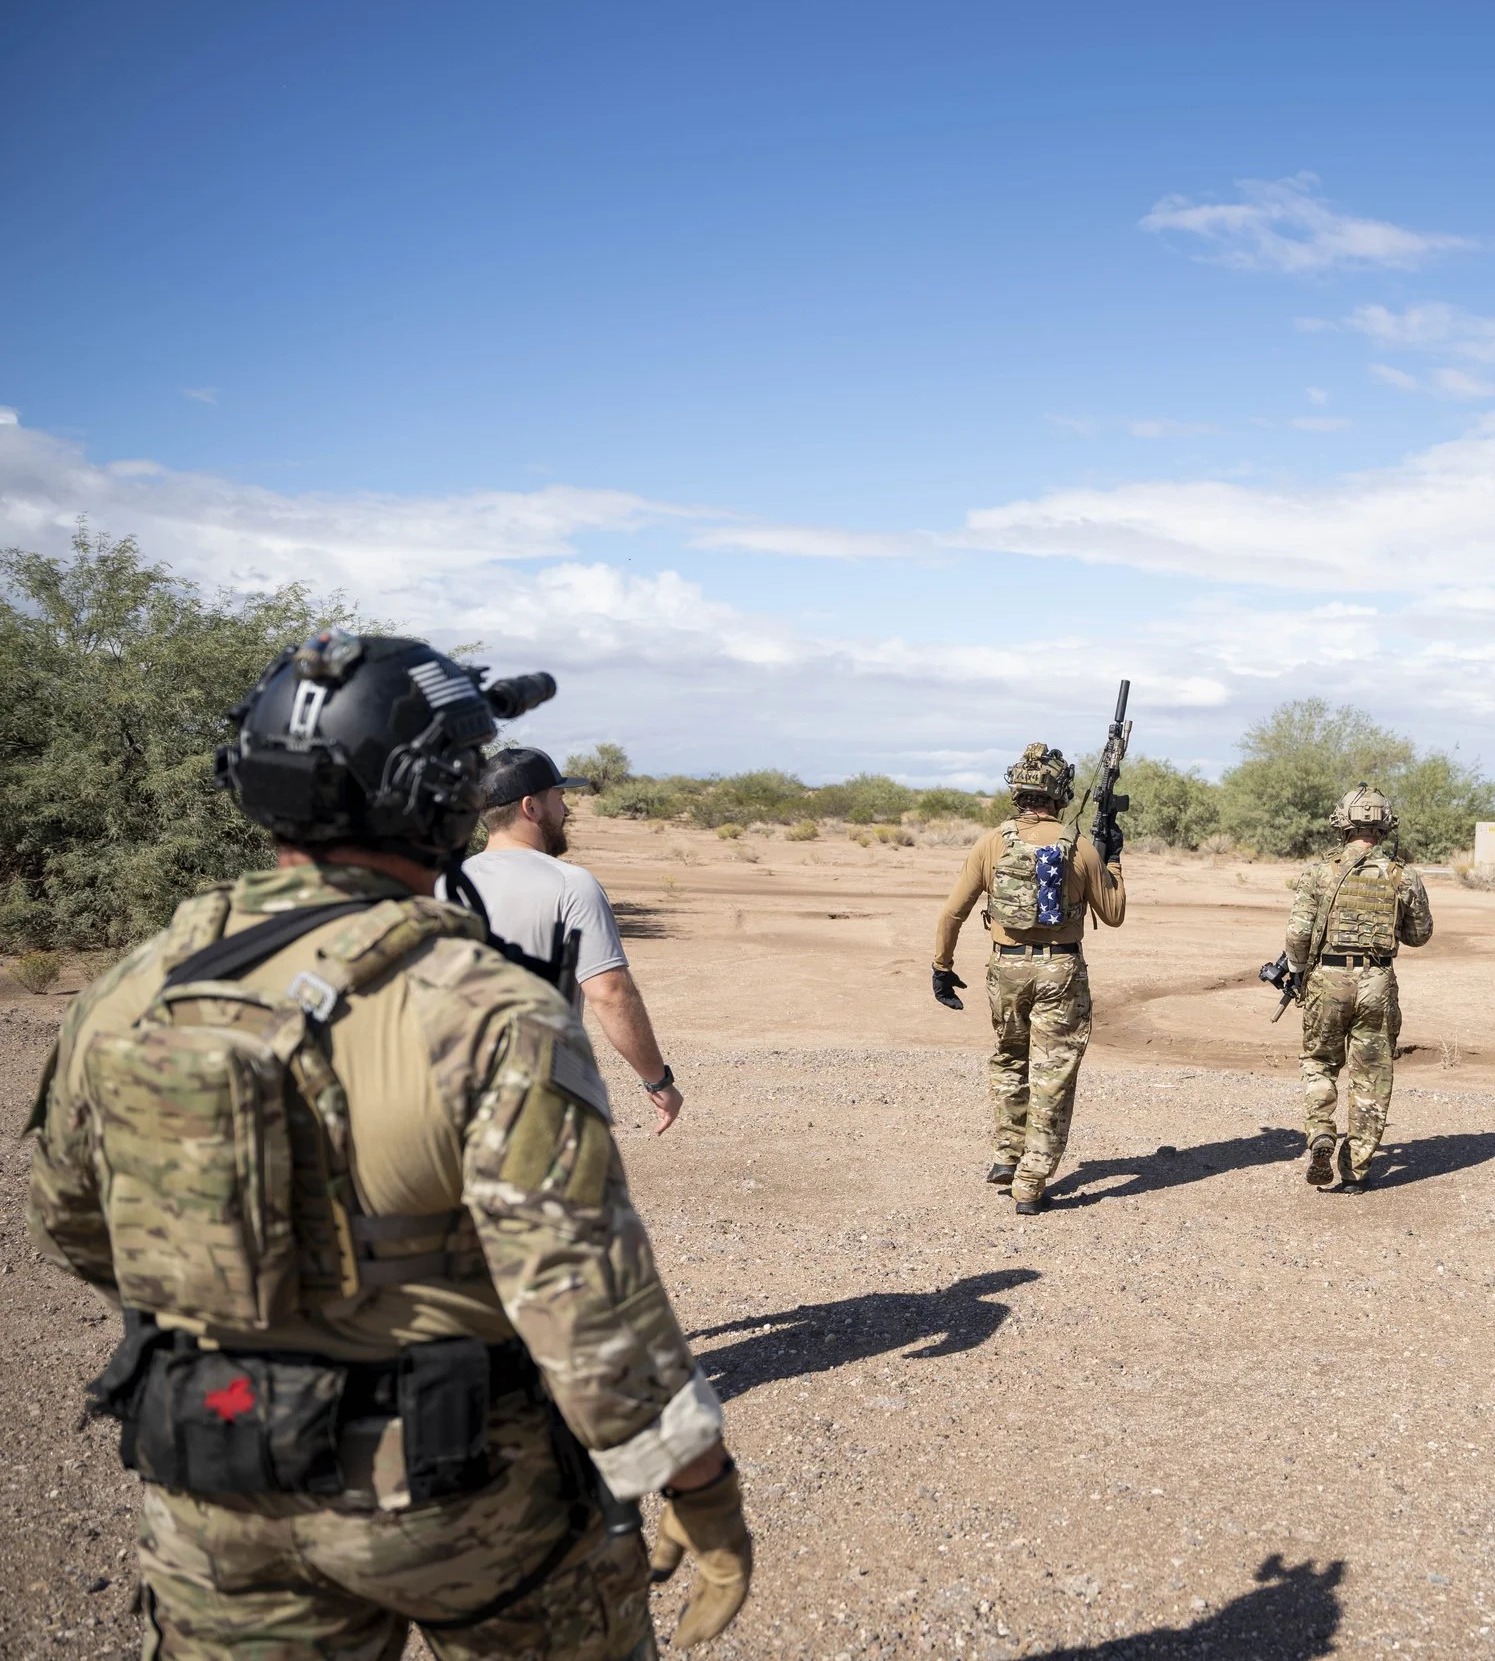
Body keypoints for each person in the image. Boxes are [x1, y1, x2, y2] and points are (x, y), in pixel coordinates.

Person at [23, 631, 751, 1659]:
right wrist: (701, 1490)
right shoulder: (488, 1005)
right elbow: (587, 1306)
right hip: (462, 1494)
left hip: (213, 1477)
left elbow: (73, 1224)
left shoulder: (134, 985)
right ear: (441, 792)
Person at [932, 741, 1127, 1215]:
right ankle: (1031, 1179)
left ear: (1016, 790)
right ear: (1061, 793)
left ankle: (1006, 1152)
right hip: (1060, 969)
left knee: (1008, 1057)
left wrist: (942, 966)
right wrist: (1114, 859)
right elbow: (1115, 913)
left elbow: (953, 911)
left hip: (1006, 967)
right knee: (1053, 1072)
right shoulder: (1078, 846)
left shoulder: (991, 843)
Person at [460, 745, 687, 1135]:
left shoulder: (446, 881)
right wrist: (658, 1082)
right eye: (559, 798)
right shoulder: (570, 884)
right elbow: (610, 993)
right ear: (530, 807)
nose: (566, 812)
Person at [1281, 784, 1434, 1193]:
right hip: (1377, 983)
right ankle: (1356, 1172)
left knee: (1319, 1062)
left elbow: (1296, 935)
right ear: (1385, 825)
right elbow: (1420, 935)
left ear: (1342, 823)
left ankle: (1321, 1134)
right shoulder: (1403, 875)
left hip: (1326, 981)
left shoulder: (1318, 872)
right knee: (1371, 1074)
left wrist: (1297, 971)